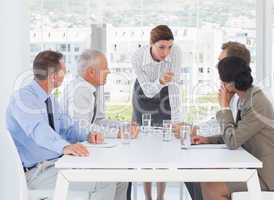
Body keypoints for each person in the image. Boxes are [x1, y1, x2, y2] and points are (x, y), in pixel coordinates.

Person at [5, 50, 123, 200]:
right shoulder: (23, 98)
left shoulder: (50, 100)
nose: (67, 72)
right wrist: (64, 146)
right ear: (54, 76)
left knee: (115, 177)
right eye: (64, 70)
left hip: (56, 164)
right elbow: (38, 130)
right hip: (37, 172)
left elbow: (68, 127)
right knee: (106, 182)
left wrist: (87, 134)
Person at [192, 56, 274, 200]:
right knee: (207, 179)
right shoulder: (246, 97)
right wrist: (207, 139)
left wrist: (224, 107)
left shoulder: (256, 102)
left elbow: (233, 141)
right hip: (264, 169)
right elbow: (238, 134)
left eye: (221, 81)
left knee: (211, 187)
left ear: (229, 85)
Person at [131, 25, 201, 200]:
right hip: (144, 93)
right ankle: (147, 197)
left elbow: (175, 87)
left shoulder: (176, 52)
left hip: (167, 91)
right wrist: (160, 81)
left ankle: (161, 197)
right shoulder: (137, 57)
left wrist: (177, 120)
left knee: (163, 148)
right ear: (151, 44)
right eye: (161, 47)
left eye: (169, 47)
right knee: (147, 149)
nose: (166, 52)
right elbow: (147, 90)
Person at [60, 49, 139, 139]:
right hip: (72, 146)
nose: (108, 71)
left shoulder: (94, 87)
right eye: (105, 68)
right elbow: (82, 128)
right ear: (91, 72)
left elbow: (98, 121)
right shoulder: (80, 90)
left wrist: (123, 126)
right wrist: (117, 133)